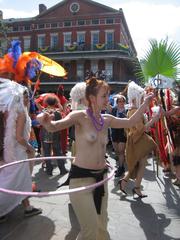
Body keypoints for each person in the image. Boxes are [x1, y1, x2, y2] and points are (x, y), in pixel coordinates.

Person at [37, 77, 154, 240]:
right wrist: (46, 122)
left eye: (108, 95)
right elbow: (55, 126)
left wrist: (145, 103)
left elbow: (130, 121)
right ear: (92, 98)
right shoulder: (78, 116)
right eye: (104, 96)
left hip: (101, 178)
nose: (108, 99)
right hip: (81, 179)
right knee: (89, 229)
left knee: (102, 225)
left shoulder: (107, 120)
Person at [0, 79, 42, 223]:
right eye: (26, 96)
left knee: (16, 180)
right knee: (12, 182)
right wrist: (30, 148)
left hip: (9, 150)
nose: (28, 99)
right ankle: (3, 209)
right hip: (18, 152)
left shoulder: (7, 111)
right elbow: (19, 137)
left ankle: (27, 207)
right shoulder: (22, 114)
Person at [118, 81, 160, 198]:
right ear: (135, 98)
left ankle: (126, 182)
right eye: (141, 97)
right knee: (140, 165)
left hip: (137, 140)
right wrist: (153, 119)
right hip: (137, 140)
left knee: (139, 164)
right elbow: (142, 129)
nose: (142, 100)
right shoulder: (134, 111)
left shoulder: (134, 110)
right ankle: (135, 187)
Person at [41, 93, 68, 176]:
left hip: (45, 134)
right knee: (58, 152)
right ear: (55, 102)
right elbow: (60, 124)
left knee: (47, 153)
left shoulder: (44, 112)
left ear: (47, 102)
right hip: (56, 135)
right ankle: (62, 169)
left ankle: (49, 170)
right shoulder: (57, 113)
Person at [110, 94, 127, 177]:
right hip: (114, 132)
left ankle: (121, 167)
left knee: (121, 151)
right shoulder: (114, 109)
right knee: (116, 151)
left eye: (122, 101)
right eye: (119, 101)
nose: (121, 103)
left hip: (123, 132)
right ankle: (120, 165)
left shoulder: (127, 110)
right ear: (117, 102)